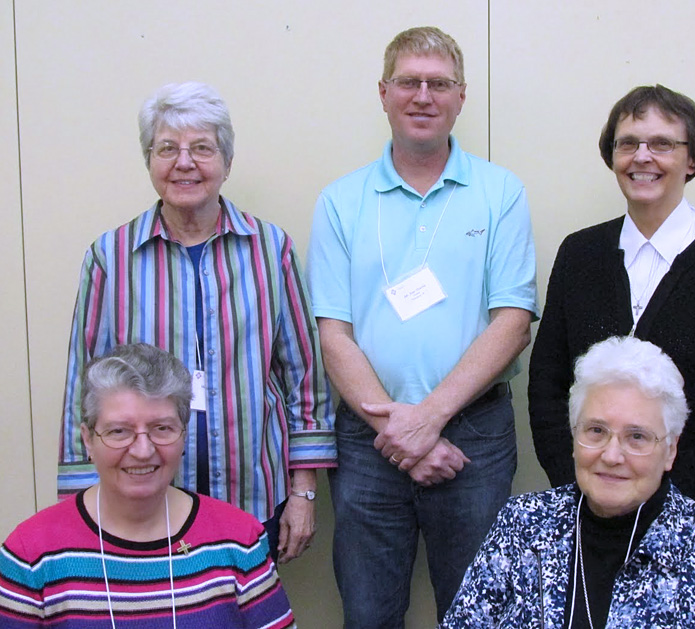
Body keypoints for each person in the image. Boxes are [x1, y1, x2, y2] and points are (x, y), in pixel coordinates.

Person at [306, 26, 538, 626]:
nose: (423, 95)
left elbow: (513, 322)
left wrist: (427, 421)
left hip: (475, 437)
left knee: (479, 615)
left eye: (439, 83)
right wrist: (400, 430)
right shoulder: (340, 201)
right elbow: (334, 334)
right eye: (409, 82)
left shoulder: (499, 193)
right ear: (383, 93)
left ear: (462, 97)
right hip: (367, 440)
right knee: (368, 614)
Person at [57, 82, 335, 564]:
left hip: (253, 496)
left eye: (202, 148)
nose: (184, 163)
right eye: (168, 149)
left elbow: (304, 376)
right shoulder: (111, 257)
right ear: (149, 161)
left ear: (227, 162)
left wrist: (304, 492)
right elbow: (84, 384)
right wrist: (78, 505)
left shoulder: (271, 251)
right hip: (141, 499)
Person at [528, 84, 695, 553]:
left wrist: (661, 501)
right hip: (595, 511)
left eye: (662, 143)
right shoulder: (579, 254)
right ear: (612, 157)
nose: (642, 156)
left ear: (691, 160)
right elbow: (547, 387)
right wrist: (592, 488)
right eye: (628, 143)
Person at [443, 336, 695, 628]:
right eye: (596, 431)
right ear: (574, 437)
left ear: (670, 450)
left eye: (637, 437)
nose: (612, 455)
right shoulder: (523, 524)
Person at [1, 344, 296, 628]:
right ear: (87, 440)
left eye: (162, 428)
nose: (143, 450)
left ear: (183, 434)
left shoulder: (238, 540)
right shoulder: (31, 554)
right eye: (119, 431)